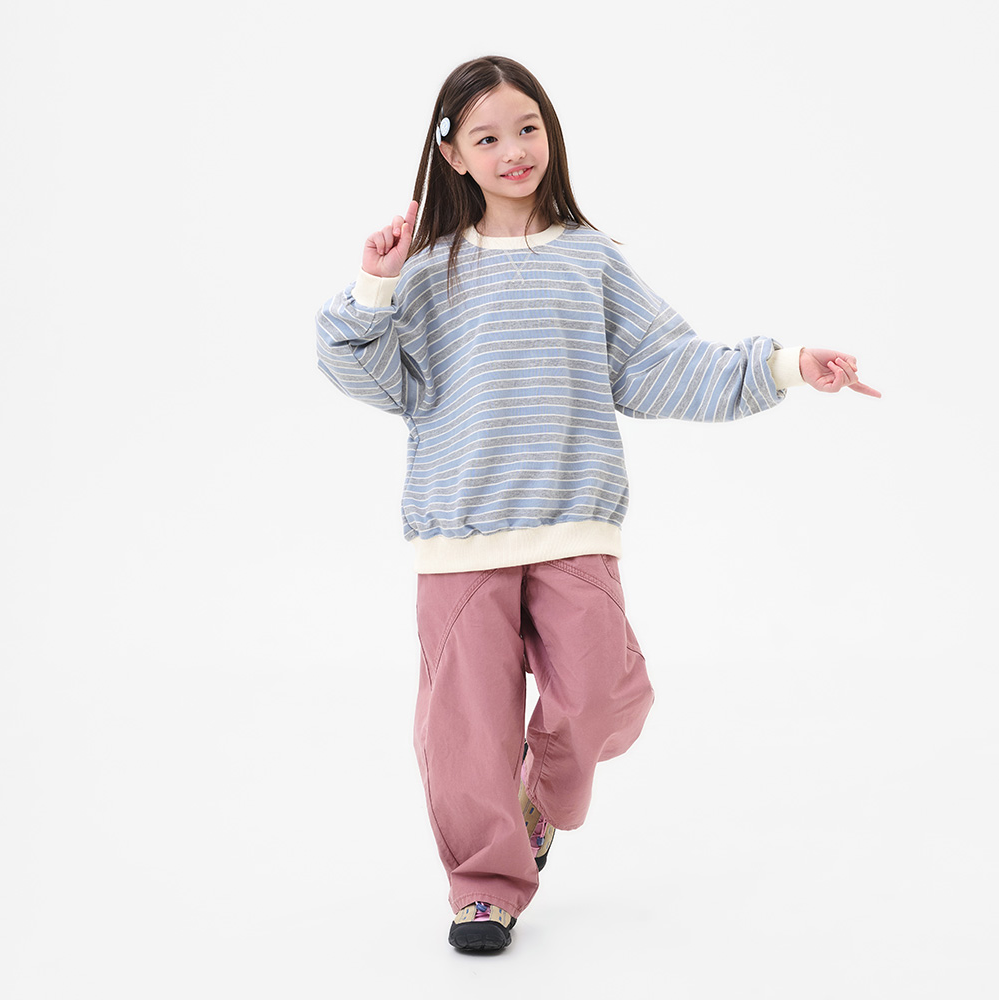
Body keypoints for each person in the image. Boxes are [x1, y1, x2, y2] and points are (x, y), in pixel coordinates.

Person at [315, 55, 880, 953]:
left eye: (527, 128)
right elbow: (373, 378)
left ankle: (539, 800)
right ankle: (484, 887)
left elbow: (666, 364)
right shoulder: (426, 272)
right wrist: (374, 284)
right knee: (467, 735)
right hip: (461, 536)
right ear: (451, 154)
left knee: (604, 696)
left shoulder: (588, 259)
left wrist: (786, 365)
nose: (513, 150)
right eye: (487, 138)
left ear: (551, 132)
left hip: (575, 525)